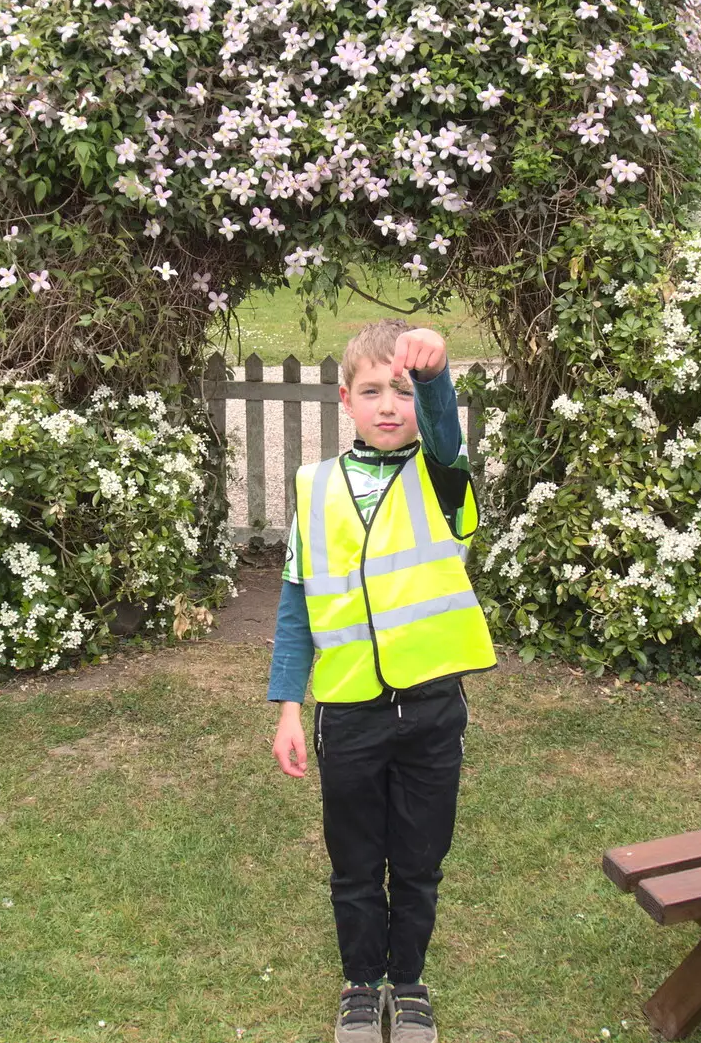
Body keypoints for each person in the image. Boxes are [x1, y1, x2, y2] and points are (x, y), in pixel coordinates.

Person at [268, 318, 497, 1043]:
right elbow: (296, 606)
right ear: (346, 400)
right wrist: (286, 707)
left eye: (401, 389)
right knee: (357, 863)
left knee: (420, 862)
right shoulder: (314, 486)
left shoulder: (440, 475)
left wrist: (433, 377)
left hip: (432, 711)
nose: (390, 404)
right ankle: (363, 985)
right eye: (374, 390)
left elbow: (444, 434)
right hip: (350, 714)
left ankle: (409, 981)